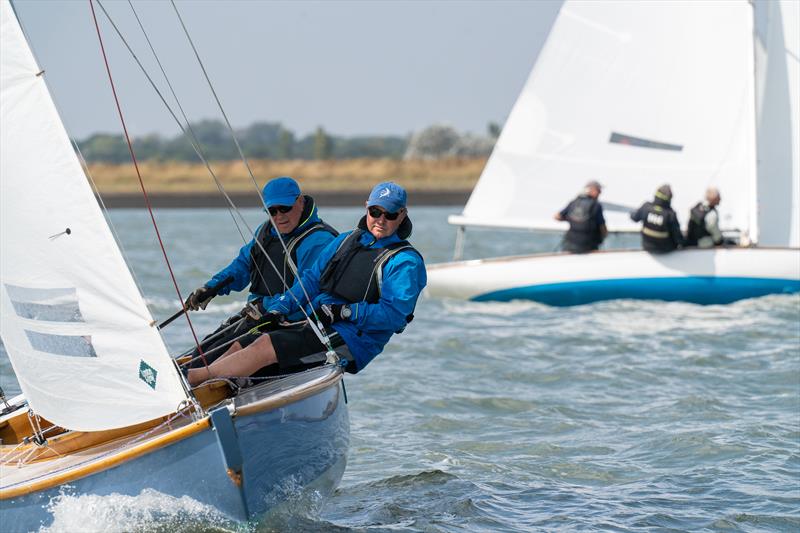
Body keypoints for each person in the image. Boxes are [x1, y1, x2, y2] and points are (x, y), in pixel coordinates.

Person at [187, 181, 426, 385]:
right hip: (318, 324)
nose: (381, 220)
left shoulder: (405, 262)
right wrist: (280, 307)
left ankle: (191, 380)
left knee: (265, 346)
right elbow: (311, 280)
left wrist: (344, 311)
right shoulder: (346, 240)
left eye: (390, 215)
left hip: (353, 340)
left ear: (402, 215)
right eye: (375, 212)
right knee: (246, 342)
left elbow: (393, 316)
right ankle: (199, 389)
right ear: (367, 208)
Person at [184, 176, 337, 362]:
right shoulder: (266, 232)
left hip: (290, 324)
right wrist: (211, 288)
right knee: (201, 354)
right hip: (258, 317)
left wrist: (265, 306)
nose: (279, 216)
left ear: (301, 201)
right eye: (272, 211)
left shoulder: (319, 241)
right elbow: (242, 266)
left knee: (208, 362)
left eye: (285, 208)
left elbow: (306, 294)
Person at [554, 180, 608, 253]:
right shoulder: (596, 205)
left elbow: (557, 217)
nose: (600, 193)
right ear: (591, 190)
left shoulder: (574, 202)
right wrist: (604, 236)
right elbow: (602, 226)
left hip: (570, 243)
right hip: (589, 245)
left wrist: (570, 219)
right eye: (598, 190)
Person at [630, 184, 684, 253]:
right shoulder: (670, 214)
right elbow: (678, 238)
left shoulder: (646, 207)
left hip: (647, 246)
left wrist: (631, 213)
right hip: (665, 249)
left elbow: (634, 218)